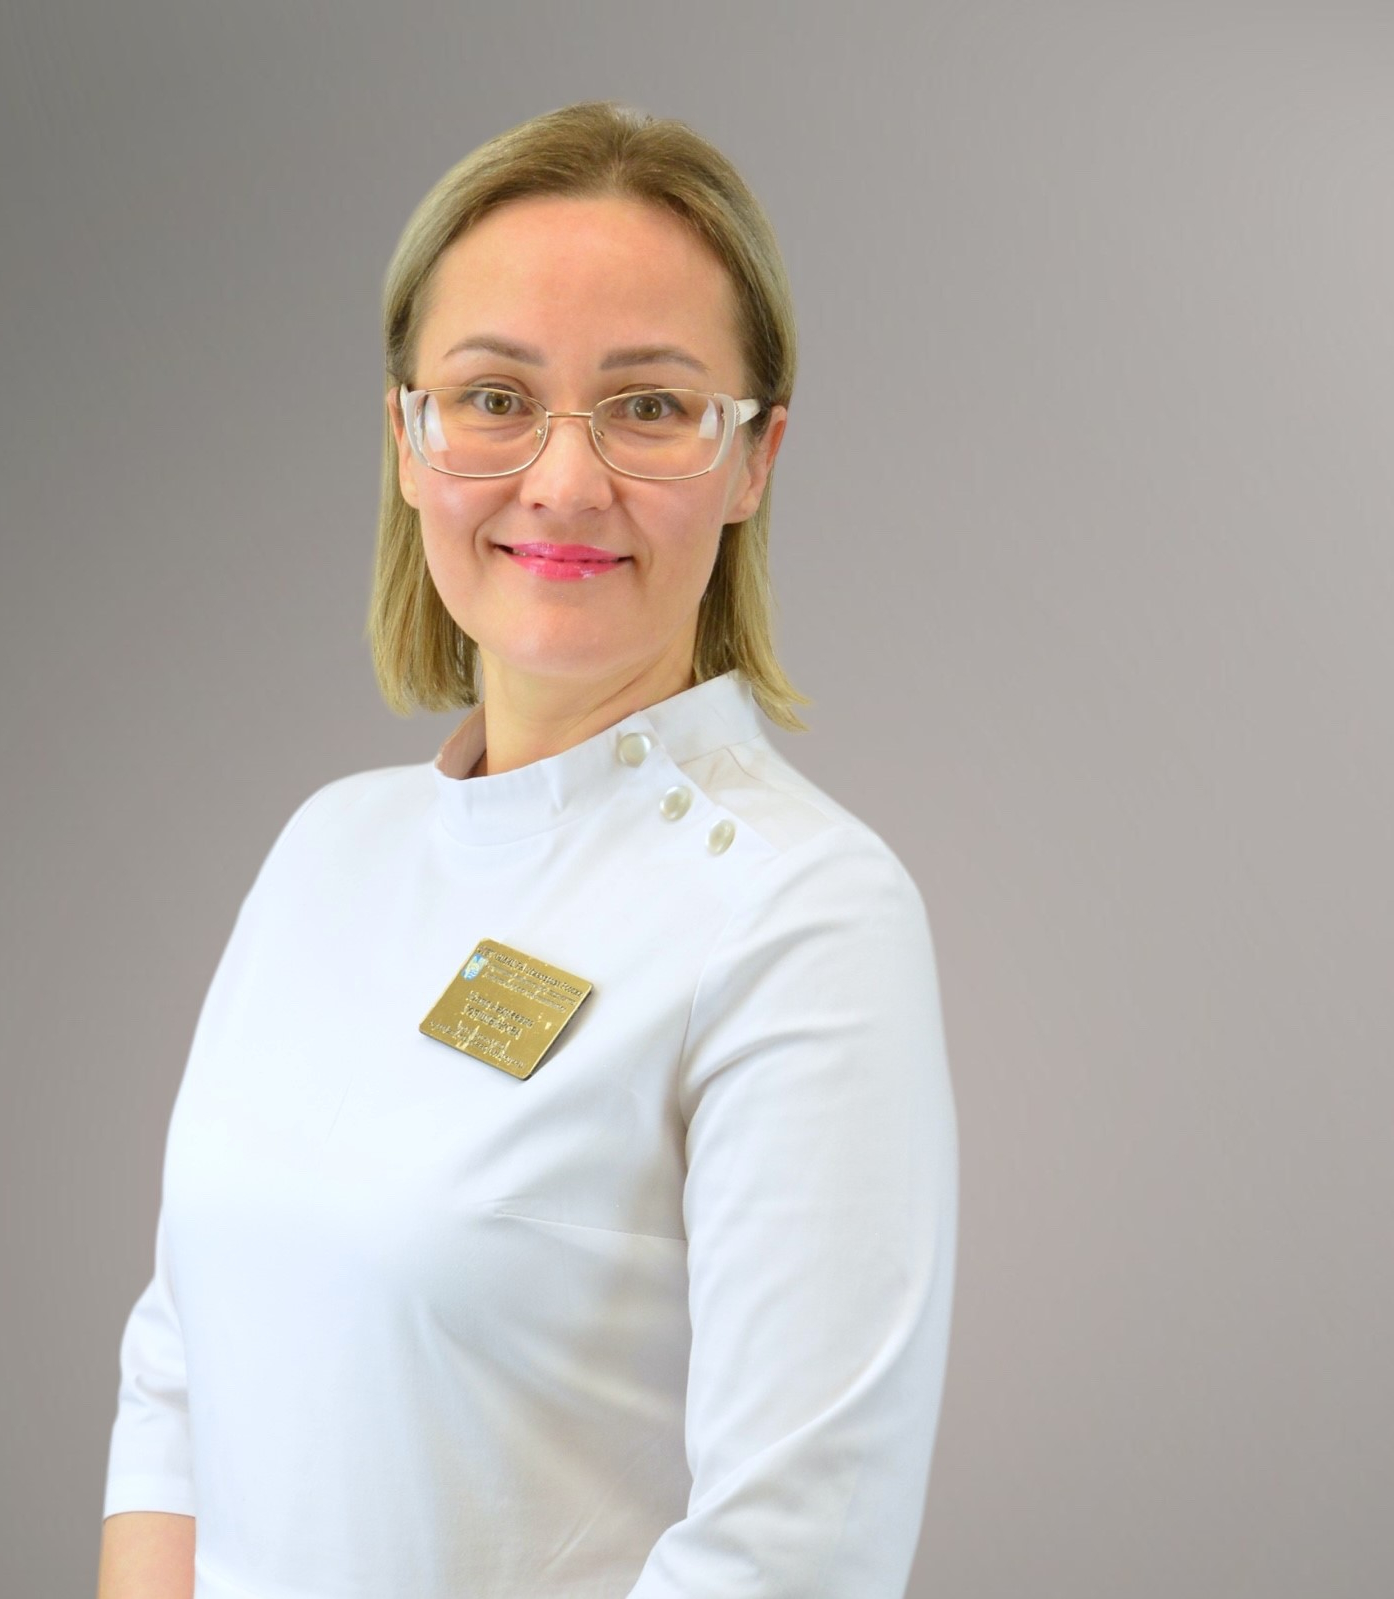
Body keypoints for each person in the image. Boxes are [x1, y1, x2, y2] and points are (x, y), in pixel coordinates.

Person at [97, 100, 959, 1599]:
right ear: (408, 437)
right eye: (496, 397)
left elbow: (792, 1558)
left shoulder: (803, 915)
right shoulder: (327, 850)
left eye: (650, 407)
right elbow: (178, 1375)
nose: (563, 483)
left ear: (753, 459)